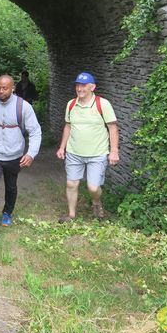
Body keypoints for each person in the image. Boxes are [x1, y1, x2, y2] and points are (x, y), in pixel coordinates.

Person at [0, 75, 41, 239]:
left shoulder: (23, 107)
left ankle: (7, 212)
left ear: (13, 89)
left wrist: (31, 153)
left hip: (14, 155)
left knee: (11, 186)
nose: (1, 91)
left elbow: (35, 132)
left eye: (5, 88)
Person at [56, 72, 119, 223]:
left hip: (97, 153)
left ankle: (96, 203)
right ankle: (71, 215)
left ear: (92, 87)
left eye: (83, 85)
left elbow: (112, 128)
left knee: (93, 187)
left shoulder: (102, 104)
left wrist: (114, 151)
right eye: (77, 85)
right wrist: (62, 147)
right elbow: (68, 126)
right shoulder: (71, 104)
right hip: (74, 152)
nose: (79, 88)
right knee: (71, 183)